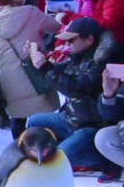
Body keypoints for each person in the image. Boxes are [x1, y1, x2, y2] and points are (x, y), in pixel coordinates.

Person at [27, 17, 118, 173]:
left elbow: (76, 87)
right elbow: (54, 73)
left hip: (92, 125)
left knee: (59, 157)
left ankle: (102, 161)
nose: (66, 44)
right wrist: (35, 60)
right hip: (70, 119)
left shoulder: (103, 61)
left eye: (71, 40)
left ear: (89, 39)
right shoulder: (76, 56)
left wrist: (45, 68)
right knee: (34, 123)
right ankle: (68, 149)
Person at [0, 0, 62, 139]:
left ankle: (20, 151)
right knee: (43, 116)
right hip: (36, 69)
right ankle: (44, 152)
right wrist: (59, 18)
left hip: (9, 76)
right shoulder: (31, 12)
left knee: (18, 118)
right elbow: (55, 28)